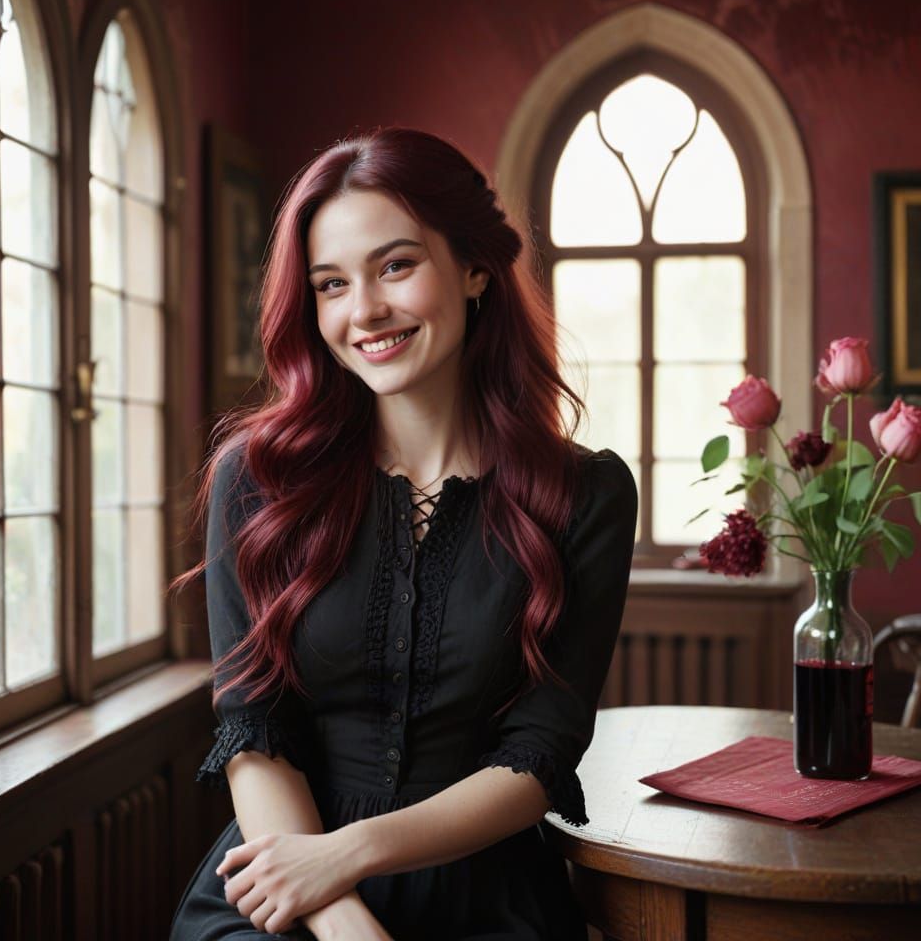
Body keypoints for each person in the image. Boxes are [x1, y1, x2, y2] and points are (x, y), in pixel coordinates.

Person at [169, 126, 638, 940]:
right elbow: (255, 732)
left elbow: (539, 756)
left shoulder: (586, 494)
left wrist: (348, 853)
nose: (365, 311)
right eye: (331, 284)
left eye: (395, 266)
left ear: (475, 267)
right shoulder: (257, 478)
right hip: (280, 889)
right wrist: (339, 912)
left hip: (486, 898)